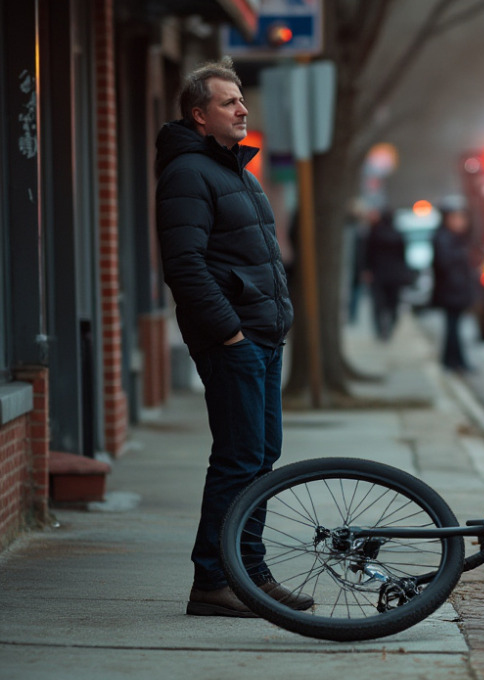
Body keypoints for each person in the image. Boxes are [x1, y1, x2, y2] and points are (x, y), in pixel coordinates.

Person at [154, 56, 311, 618]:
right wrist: (231, 335)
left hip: (261, 340)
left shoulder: (233, 170)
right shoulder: (189, 173)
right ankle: (216, 578)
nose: (242, 108)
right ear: (200, 115)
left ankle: (246, 571)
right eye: (228, 102)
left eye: (241, 98)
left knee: (259, 455)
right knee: (240, 458)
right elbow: (185, 266)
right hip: (236, 343)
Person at [430, 207, 480, 371]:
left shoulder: (456, 238)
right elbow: (445, 264)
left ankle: (452, 360)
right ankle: (454, 361)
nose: (461, 222)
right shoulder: (445, 238)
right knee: (453, 327)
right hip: (451, 290)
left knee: (454, 327)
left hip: (455, 290)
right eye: (457, 218)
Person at [362, 208, 412, 341]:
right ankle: (389, 328)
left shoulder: (374, 233)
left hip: (378, 274)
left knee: (378, 305)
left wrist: (367, 270)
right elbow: (403, 256)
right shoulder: (398, 234)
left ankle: (380, 330)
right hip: (394, 275)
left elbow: (367, 254)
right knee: (393, 304)